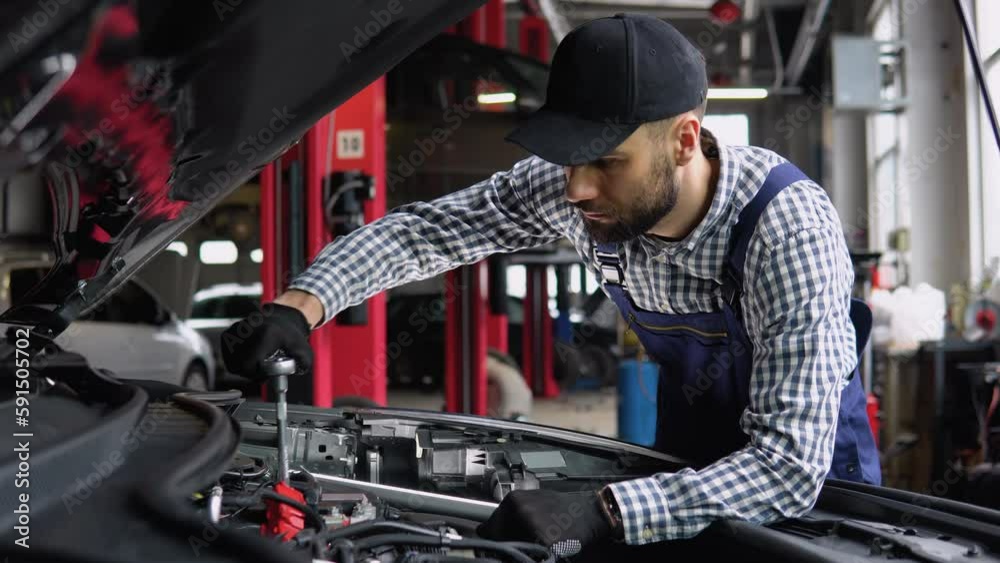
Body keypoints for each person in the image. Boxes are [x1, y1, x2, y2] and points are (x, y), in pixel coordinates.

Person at [222, 13, 880, 555]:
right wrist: (299, 306)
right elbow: (423, 233)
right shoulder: (574, 187)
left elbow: (789, 466)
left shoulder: (786, 228)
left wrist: (606, 509)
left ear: (684, 141)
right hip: (689, 456)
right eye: (569, 157)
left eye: (606, 161)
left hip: (820, 495)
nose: (576, 187)